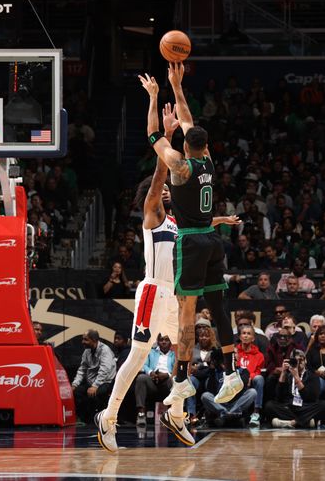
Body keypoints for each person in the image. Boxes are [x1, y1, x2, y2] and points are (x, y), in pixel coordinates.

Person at [96, 77, 238, 451]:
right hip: (151, 291)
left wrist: (219, 221)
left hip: (175, 293)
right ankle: (107, 416)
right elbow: (163, 171)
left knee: (184, 348)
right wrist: (166, 126)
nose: (166, 192)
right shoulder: (153, 214)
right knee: (139, 353)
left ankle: (175, 411)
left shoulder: (183, 222)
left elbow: (200, 217)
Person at [148, 65, 242, 408]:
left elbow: (153, 137)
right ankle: (232, 374)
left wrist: (156, 95)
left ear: (186, 145)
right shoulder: (209, 163)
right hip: (212, 239)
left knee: (186, 312)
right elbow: (188, 120)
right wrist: (178, 85)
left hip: (189, 240)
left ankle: (182, 378)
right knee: (219, 308)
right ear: (204, 146)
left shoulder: (179, 164)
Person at [264, 349, 325, 428]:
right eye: (295, 360)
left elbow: (311, 398)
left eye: (301, 360)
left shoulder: (312, 375)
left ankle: (291, 423)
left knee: (324, 406)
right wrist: (283, 373)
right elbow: (279, 398)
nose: (298, 363)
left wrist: (297, 377)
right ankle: (305, 422)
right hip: (290, 407)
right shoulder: (287, 375)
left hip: (305, 406)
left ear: (305, 361)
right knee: (269, 406)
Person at [72, 329, 115, 425]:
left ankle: (98, 420)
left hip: (105, 382)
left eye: (85, 340)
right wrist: (75, 384)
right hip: (92, 382)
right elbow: (82, 369)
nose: (83, 342)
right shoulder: (87, 351)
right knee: (77, 392)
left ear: (94, 340)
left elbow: (104, 370)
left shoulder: (105, 350)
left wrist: (95, 386)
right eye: (83, 339)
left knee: (96, 394)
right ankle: (82, 419)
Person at [134, 334, 175, 427]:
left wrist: (167, 375)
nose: (164, 342)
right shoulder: (151, 352)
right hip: (153, 380)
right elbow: (144, 365)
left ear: (171, 342)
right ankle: (141, 415)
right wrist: (151, 372)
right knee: (141, 378)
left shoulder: (174, 354)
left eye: (166, 340)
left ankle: (171, 416)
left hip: (167, 381)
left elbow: (176, 370)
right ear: (157, 341)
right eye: (161, 340)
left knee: (173, 381)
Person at [235, 325, 265, 428]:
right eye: (244, 333)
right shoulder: (235, 352)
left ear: (253, 338)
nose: (246, 336)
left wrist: (249, 377)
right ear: (240, 337)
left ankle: (256, 413)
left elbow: (257, 371)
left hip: (251, 379)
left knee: (259, 379)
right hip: (236, 379)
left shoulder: (259, 355)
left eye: (249, 333)